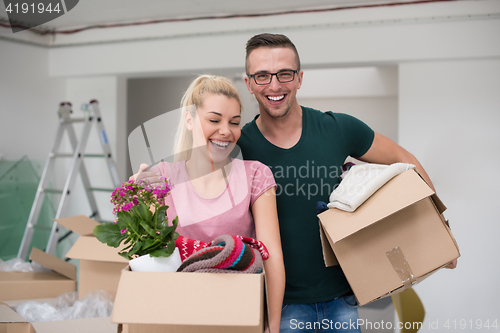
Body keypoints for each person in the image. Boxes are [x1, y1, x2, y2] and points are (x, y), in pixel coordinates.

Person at [237, 33, 457, 333]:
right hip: (282, 306)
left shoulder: (336, 128)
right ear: (249, 83)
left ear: (299, 78)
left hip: (342, 300)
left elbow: (401, 158)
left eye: (284, 74)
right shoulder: (240, 147)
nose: (274, 86)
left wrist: (439, 227)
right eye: (262, 76)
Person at [131, 75, 285, 333]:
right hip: (178, 315)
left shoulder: (256, 174)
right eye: (214, 120)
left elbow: (272, 257)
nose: (226, 130)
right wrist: (134, 194)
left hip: (239, 314)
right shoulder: (163, 176)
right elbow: (142, 253)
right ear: (189, 120)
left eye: (234, 122)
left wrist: (273, 325)